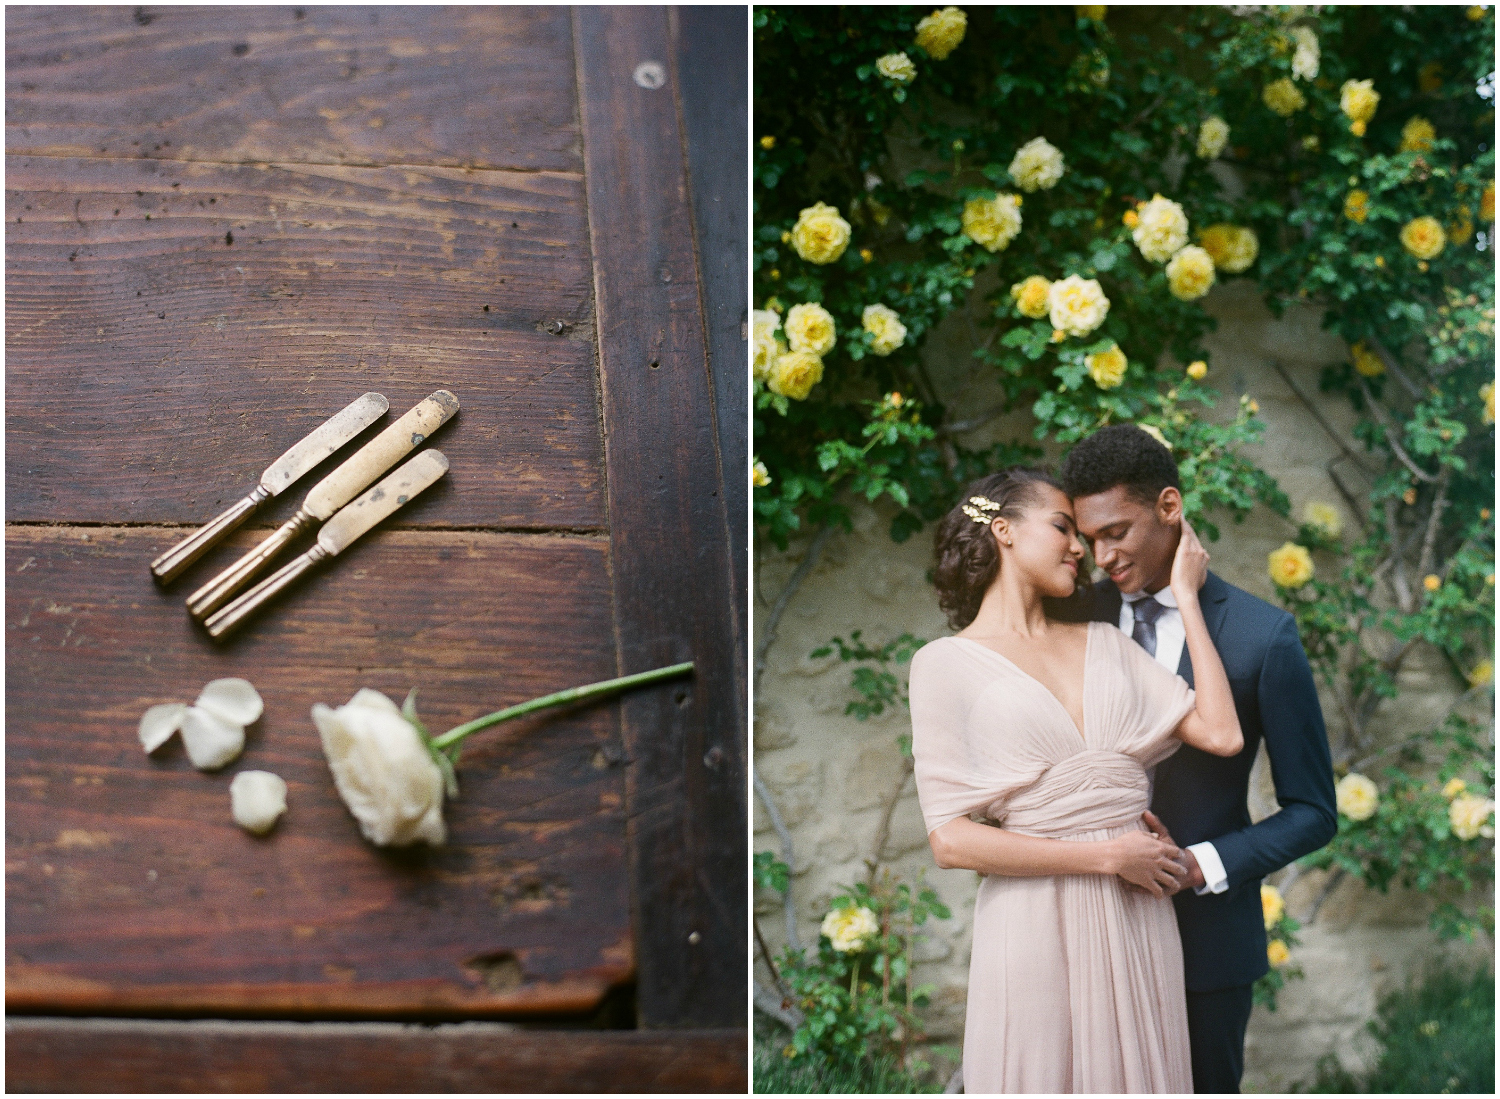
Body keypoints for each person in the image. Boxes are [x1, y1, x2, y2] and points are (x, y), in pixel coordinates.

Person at [910, 465, 1244, 1094]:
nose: (1080, 549)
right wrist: (1108, 855)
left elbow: (1223, 734)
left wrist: (1188, 599)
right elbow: (950, 842)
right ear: (1003, 529)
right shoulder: (942, 665)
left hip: (1138, 913)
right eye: (1063, 527)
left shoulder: (1105, 642)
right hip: (1034, 921)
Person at [1059, 423, 1337, 1093]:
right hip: (1084, 923)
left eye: (1117, 531)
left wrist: (1201, 864)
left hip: (1206, 944)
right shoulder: (1073, 616)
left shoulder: (1261, 636)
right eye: (1089, 537)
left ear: (1170, 506)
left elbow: (1313, 811)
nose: (1102, 556)